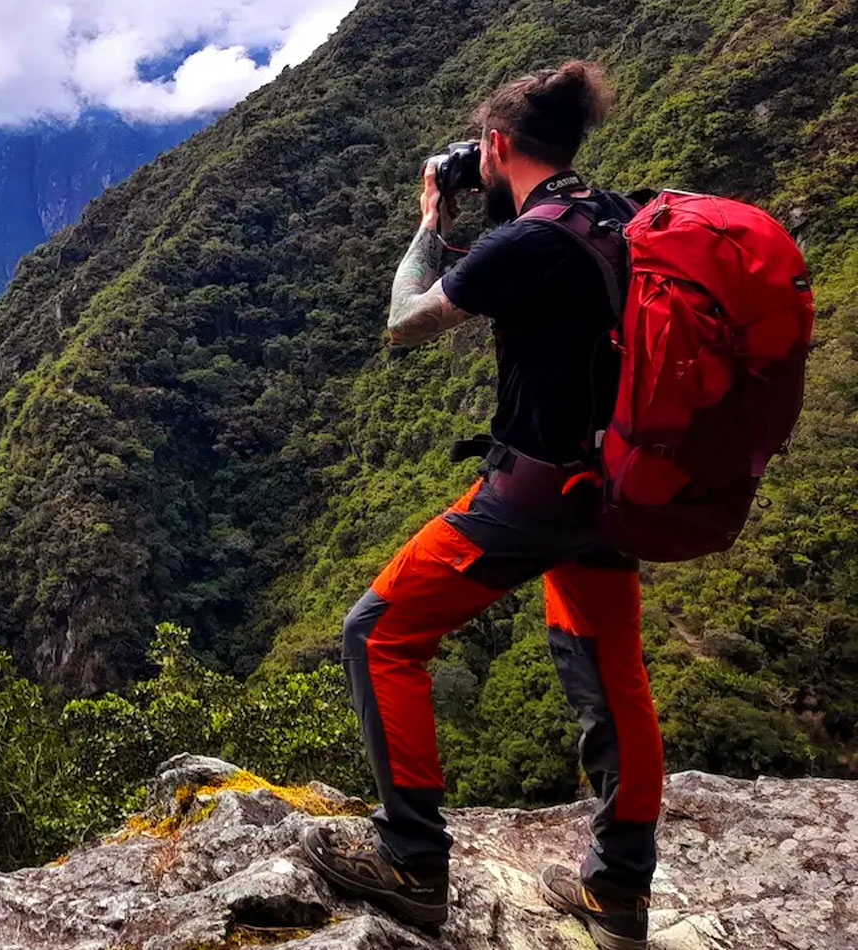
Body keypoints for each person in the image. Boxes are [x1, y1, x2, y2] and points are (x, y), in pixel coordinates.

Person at [296, 61, 660, 950]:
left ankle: (413, 864)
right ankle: (618, 896)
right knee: (613, 677)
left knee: (378, 632)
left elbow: (404, 321)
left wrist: (429, 221)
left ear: (496, 146)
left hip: (533, 494)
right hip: (613, 490)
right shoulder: (619, 215)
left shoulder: (527, 241)